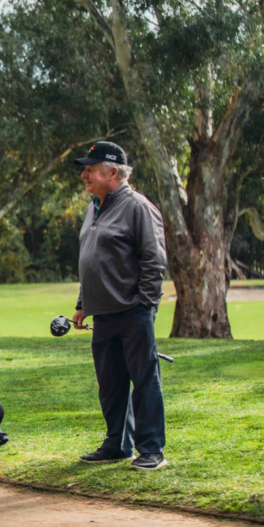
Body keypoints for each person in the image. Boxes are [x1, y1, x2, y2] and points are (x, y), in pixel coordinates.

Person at [71, 142, 169, 471]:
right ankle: (117, 444)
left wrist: (143, 303)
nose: (84, 174)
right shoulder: (94, 207)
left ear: (113, 172)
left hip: (133, 312)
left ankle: (152, 449)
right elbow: (92, 261)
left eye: (91, 168)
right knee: (111, 384)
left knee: (143, 381)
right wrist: (83, 303)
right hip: (104, 313)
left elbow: (154, 261)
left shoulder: (138, 207)